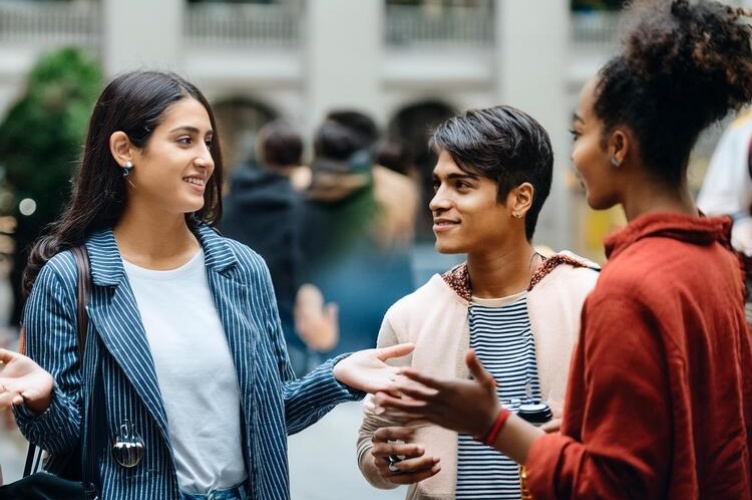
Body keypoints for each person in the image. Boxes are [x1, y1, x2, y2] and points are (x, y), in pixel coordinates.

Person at [375, 1, 752, 498]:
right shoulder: (716, 259)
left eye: (579, 134)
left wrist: (490, 424)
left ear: (618, 146)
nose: (573, 155)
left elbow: (609, 483)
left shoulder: (626, 287)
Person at [6, 70, 413, 500]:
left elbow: (272, 414)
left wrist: (335, 376)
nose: (206, 159)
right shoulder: (69, 279)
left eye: (207, 141)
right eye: (185, 140)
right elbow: (65, 440)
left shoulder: (242, 269)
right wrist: (41, 399)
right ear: (125, 149)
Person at [356, 105, 599, 499]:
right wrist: (384, 463)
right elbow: (369, 442)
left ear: (520, 199)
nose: (436, 201)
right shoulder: (411, 316)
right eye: (437, 184)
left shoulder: (589, 299)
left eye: (461, 185)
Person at [220, 119, 335, 376]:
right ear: (301, 157)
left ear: (261, 154)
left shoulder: (227, 204)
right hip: (290, 332)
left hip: (232, 328)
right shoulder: (304, 208)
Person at [299, 119, 414, 358]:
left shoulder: (305, 185)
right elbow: (400, 241)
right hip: (387, 287)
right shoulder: (396, 187)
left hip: (333, 291)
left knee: (339, 372)